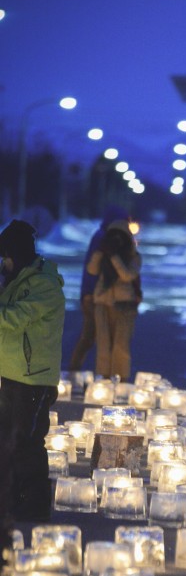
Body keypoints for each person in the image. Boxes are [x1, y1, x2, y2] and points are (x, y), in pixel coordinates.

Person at [0, 219, 65, 522]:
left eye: (7, 256)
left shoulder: (44, 285)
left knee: (27, 442)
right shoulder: (15, 280)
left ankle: (36, 507)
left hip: (34, 378)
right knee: (7, 440)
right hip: (10, 375)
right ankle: (12, 500)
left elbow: (14, 319)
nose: (4, 262)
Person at [67, 204, 130, 371]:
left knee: (98, 337)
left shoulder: (107, 237)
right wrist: (88, 293)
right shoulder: (103, 238)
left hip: (101, 295)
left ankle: (86, 371)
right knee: (90, 336)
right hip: (94, 295)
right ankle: (74, 371)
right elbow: (92, 269)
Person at [87, 217, 142, 381]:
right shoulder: (103, 254)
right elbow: (92, 270)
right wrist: (100, 252)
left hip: (125, 305)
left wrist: (114, 257)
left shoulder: (134, 257)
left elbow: (127, 275)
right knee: (103, 344)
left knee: (121, 346)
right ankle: (103, 379)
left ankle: (120, 379)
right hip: (103, 303)